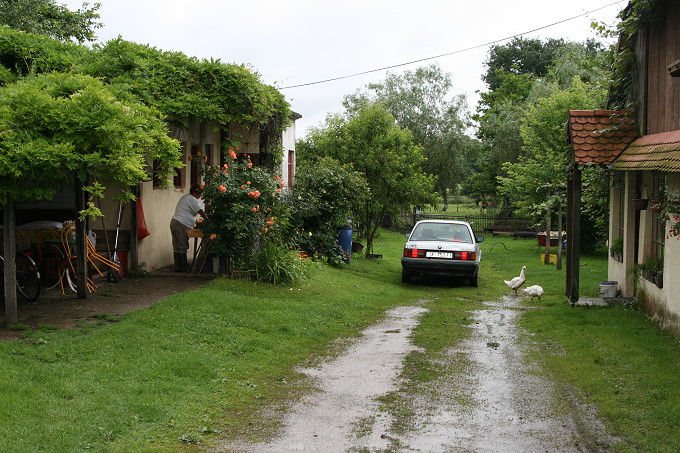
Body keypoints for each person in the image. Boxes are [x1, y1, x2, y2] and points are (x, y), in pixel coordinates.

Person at [170, 185, 209, 272]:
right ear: (195, 193)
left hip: (175, 222)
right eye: (199, 195)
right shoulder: (192, 199)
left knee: (177, 246)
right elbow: (200, 211)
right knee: (182, 245)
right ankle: (184, 267)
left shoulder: (185, 197)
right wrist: (207, 219)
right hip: (182, 223)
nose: (199, 197)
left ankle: (178, 267)